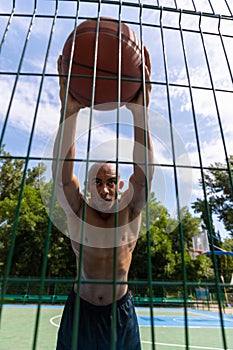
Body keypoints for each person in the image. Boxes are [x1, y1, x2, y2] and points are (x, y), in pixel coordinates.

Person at [53, 47, 154, 350]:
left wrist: (140, 113)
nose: (105, 189)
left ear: (120, 184)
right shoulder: (78, 210)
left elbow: (144, 173)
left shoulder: (131, 210)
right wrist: (69, 113)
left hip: (120, 314)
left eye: (111, 182)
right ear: (86, 186)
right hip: (80, 313)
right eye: (97, 182)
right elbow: (62, 174)